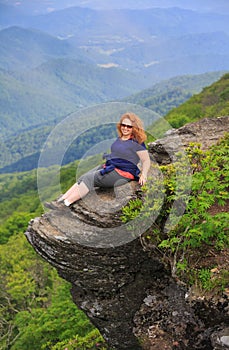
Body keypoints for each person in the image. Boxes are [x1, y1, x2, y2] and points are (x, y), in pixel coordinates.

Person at [45, 112, 151, 210]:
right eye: (123, 125)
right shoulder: (121, 138)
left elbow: (146, 160)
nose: (125, 128)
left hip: (123, 173)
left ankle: (66, 204)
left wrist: (144, 174)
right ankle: (60, 200)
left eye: (129, 126)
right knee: (82, 177)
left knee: (88, 179)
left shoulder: (136, 142)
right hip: (111, 166)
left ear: (134, 128)